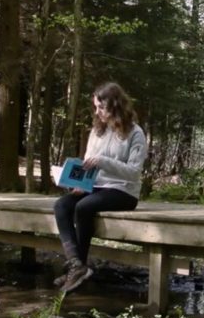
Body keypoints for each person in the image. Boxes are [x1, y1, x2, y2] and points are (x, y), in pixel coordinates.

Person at [52, 82, 147, 292]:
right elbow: (88, 162)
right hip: (96, 187)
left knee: (83, 207)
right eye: (96, 107)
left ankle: (79, 268)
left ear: (115, 106)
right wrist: (79, 183)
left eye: (101, 107)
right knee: (62, 205)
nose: (98, 112)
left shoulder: (135, 133)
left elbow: (133, 172)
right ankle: (77, 265)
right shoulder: (97, 131)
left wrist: (104, 161)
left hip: (123, 191)